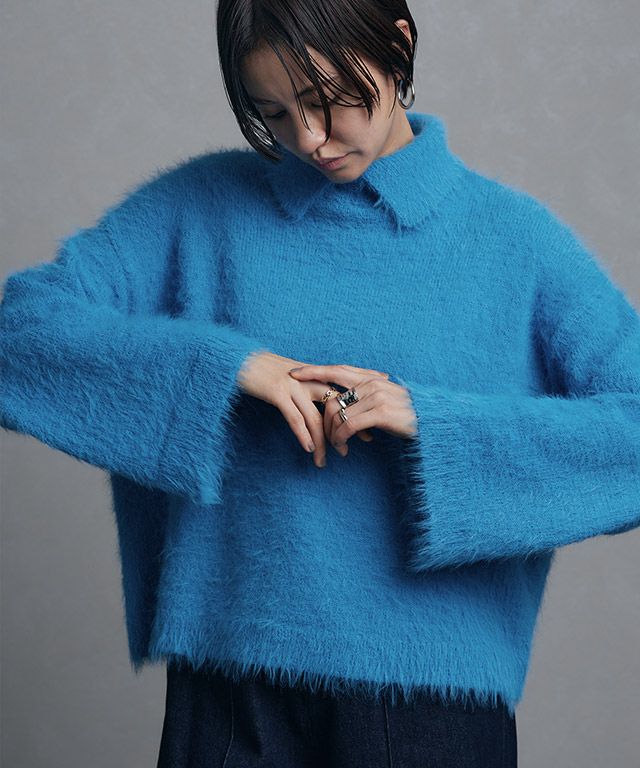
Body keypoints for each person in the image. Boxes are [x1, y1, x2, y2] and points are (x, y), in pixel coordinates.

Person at [2, 1, 639, 766]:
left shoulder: (515, 240)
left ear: (398, 46)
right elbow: (18, 333)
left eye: (327, 100)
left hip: (432, 704)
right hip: (230, 691)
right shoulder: (198, 208)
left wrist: (435, 423)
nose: (307, 139)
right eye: (272, 113)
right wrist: (225, 368)